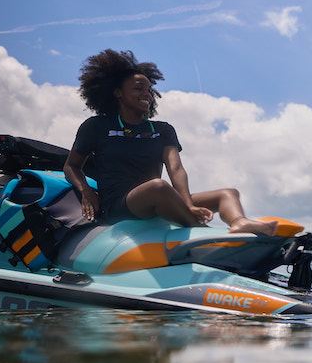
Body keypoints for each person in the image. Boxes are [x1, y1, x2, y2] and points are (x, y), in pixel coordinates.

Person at [63, 49, 279, 235]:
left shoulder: (162, 130)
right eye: (139, 88)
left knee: (228, 193)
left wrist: (187, 202)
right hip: (119, 206)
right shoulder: (96, 126)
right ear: (118, 92)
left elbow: (175, 168)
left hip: (161, 198)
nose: (146, 94)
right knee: (158, 187)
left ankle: (238, 222)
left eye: (149, 90)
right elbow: (71, 166)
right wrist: (86, 192)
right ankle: (200, 232)